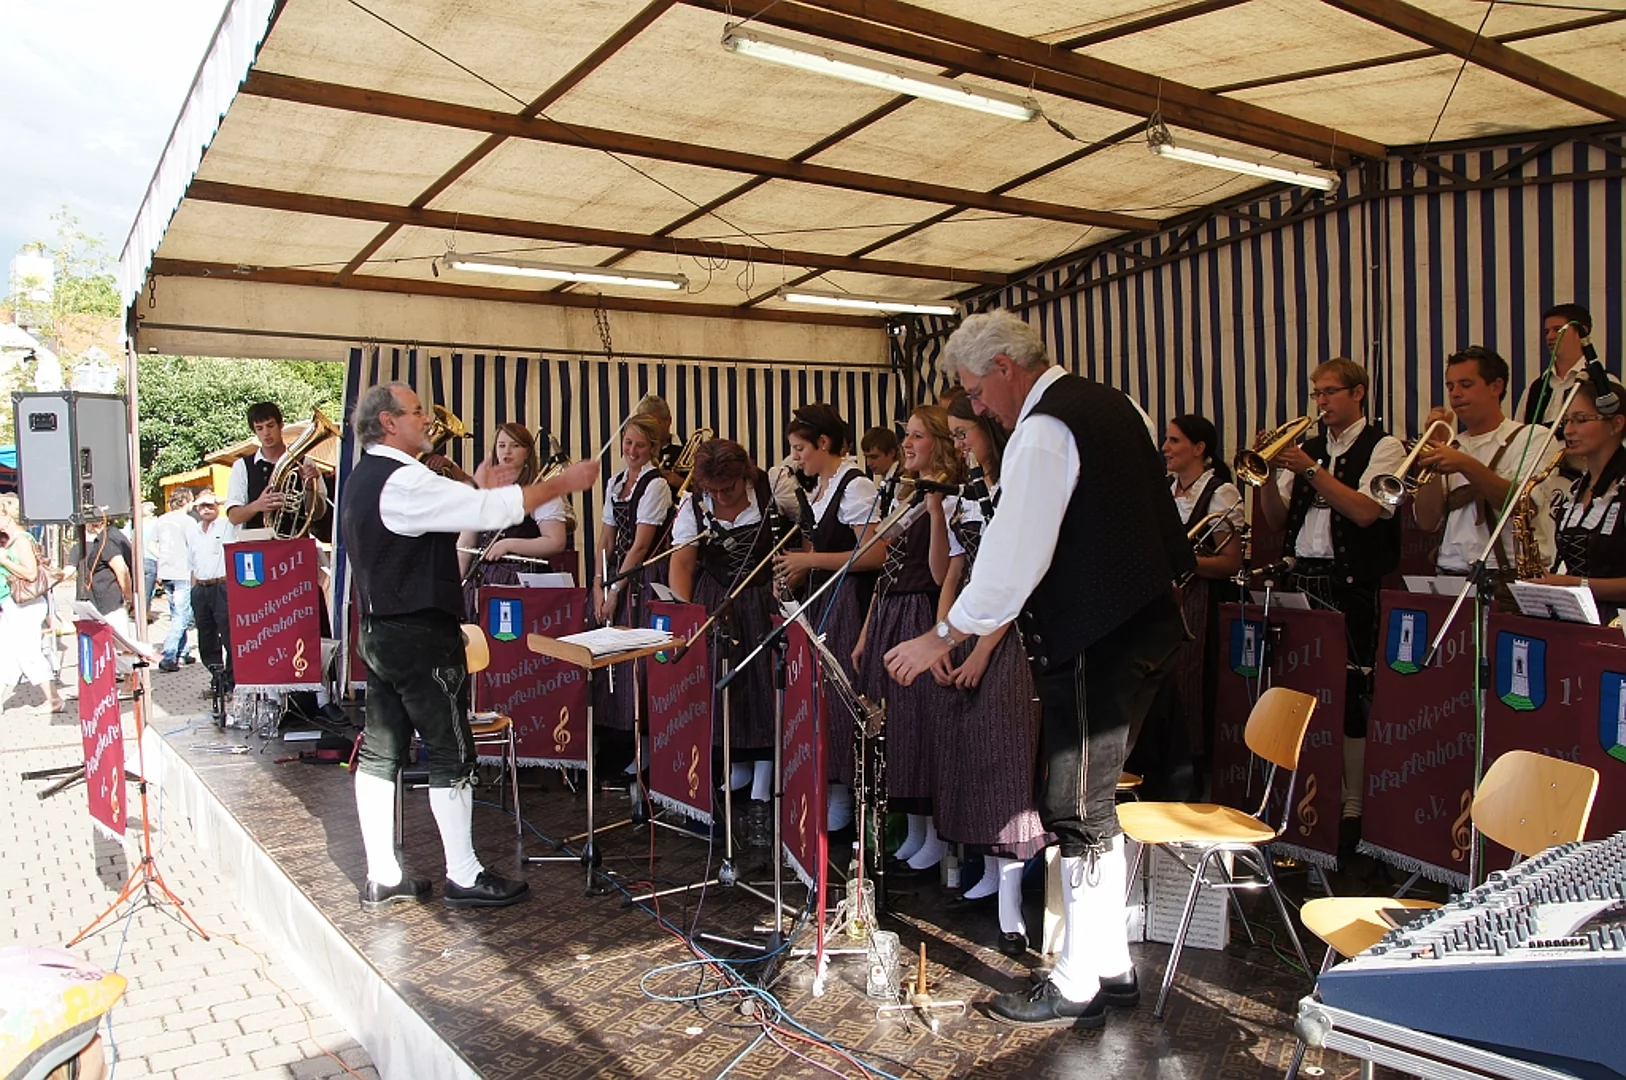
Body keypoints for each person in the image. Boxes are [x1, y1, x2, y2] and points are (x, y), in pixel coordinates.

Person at [884, 310, 1192, 1028]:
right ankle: (1111, 964)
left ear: (1005, 367)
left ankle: (1076, 979)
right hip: (1144, 626)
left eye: (976, 391)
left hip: (1097, 636)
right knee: (1094, 806)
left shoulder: (1046, 428)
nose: (979, 407)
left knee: (1076, 808)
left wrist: (944, 635)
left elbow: (1015, 553)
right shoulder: (1115, 404)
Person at [341, 382, 600, 911]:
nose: (426, 420)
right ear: (389, 422)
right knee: (450, 750)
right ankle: (463, 874)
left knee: (381, 751)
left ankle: (382, 874)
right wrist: (562, 482)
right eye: (417, 412)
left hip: (380, 630)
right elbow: (487, 512)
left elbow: (458, 514)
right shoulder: (404, 480)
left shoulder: (363, 477)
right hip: (420, 633)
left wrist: (478, 488)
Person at [1258, 357, 1406, 846]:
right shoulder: (1310, 450)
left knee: (1350, 693)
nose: (1321, 402)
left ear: (1358, 393)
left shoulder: (1384, 446)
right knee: (1302, 689)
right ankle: (1312, 794)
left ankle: (1353, 803)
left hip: (1351, 585)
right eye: (1316, 393)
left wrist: (1309, 468)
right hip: (1302, 576)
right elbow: (1277, 520)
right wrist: (1265, 476)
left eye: (1330, 392)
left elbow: (1366, 512)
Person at [933, 391, 1047, 954]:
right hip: (969, 629)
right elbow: (948, 574)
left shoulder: (1017, 490)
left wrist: (978, 651)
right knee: (972, 755)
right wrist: (942, 637)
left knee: (1007, 764)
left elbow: (1017, 584)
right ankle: (989, 874)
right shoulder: (967, 494)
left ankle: (1011, 901)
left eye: (964, 433)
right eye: (953, 434)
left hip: (1014, 637)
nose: (958, 444)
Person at [856, 404, 966, 875]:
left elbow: (943, 574)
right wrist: (866, 631)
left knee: (920, 725)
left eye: (917, 436)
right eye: (907, 435)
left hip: (922, 609)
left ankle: (934, 834)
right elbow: (884, 568)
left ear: (938, 442)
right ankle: (915, 829)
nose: (906, 443)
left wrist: (936, 509)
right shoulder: (905, 494)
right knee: (897, 727)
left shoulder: (950, 496)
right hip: (891, 608)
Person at [669, 439, 785, 842]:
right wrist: (686, 618)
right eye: (713, 490)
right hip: (716, 604)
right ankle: (724, 788)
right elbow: (682, 563)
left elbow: (806, 541)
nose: (720, 496)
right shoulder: (693, 506)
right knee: (723, 697)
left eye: (729, 488)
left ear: (744, 475)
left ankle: (763, 797)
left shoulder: (773, 489)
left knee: (765, 694)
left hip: (763, 601)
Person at [773, 403, 881, 830]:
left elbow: (873, 554)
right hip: (823, 600)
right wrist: (795, 573)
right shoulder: (820, 489)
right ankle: (831, 792)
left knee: (842, 697)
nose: (795, 458)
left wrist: (810, 561)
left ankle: (849, 800)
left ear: (824, 443)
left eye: (800, 449)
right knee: (821, 698)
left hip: (850, 601)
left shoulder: (854, 487)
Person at [1414, 347, 1554, 585]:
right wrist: (1432, 456)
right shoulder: (1452, 444)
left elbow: (1523, 505)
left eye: (1466, 385)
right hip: (1449, 574)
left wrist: (1465, 464)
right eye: (1450, 387)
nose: (1455, 394)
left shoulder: (1532, 436)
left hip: (1506, 576)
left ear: (1496, 387)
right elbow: (1427, 522)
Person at [1162, 414, 1243, 775]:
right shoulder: (1164, 489)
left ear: (1199, 448)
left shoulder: (1221, 493)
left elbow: (1229, 562)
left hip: (1201, 603)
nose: (1165, 447)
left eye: (1174, 440)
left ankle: (1193, 771)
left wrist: (1182, 560)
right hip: (1165, 598)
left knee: (1191, 687)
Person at [591, 413, 674, 733]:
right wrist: (597, 583)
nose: (632, 450)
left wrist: (614, 591)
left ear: (652, 448)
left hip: (643, 577)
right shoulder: (615, 482)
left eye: (640, 445)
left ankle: (642, 734)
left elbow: (640, 547)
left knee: (636, 656)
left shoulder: (656, 485)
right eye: (628, 442)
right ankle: (614, 731)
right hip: (616, 572)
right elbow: (606, 539)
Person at [1532, 374, 1626, 606]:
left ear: (1616, 424)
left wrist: (1575, 584)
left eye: (1580, 420)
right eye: (1566, 421)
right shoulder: (1577, 489)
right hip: (1579, 618)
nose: (1568, 431)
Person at [458, 423, 569, 612]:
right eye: (501, 445)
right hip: (480, 581)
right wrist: (455, 585)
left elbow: (555, 542)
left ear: (527, 452)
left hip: (520, 581)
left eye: (515, 445)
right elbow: (465, 545)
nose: (507, 451)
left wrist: (508, 544)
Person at [0, 494, 66, 711]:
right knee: (8, 652)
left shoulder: (22, 540)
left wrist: (4, 561)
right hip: (11, 603)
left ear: (7, 516)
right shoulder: (10, 540)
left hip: (25, 604)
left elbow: (30, 573)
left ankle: (54, 699)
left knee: (28, 652)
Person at [225, 402, 328, 531]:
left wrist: (310, 487)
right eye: (259, 428)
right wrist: (257, 505)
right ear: (254, 431)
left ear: (281, 425)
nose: (266, 433)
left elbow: (318, 514)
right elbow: (233, 517)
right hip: (256, 540)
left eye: (270, 425)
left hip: (296, 540)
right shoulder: (242, 466)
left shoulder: (306, 463)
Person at [68, 518, 135, 672]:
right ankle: (113, 676)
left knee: (120, 643)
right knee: (106, 643)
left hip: (109, 600)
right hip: (96, 601)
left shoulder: (108, 540)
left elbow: (121, 570)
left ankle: (126, 677)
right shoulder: (101, 540)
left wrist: (128, 596)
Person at [188, 491, 237, 698]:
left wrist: (220, 501)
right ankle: (218, 681)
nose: (206, 509)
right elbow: (192, 564)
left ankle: (232, 682)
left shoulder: (226, 525)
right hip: (201, 587)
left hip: (222, 585)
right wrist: (193, 590)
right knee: (206, 638)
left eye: (210, 505)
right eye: (202, 506)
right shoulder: (194, 531)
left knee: (229, 636)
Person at [1518, 303, 1597, 427]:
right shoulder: (1534, 389)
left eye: (1558, 330)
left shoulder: (1601, 382)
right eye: (1547, 332)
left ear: (1582, 331)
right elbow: (1520, 434)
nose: (1550, 337)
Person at [153, 488, 202, 671]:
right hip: (183, 572)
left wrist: (163, 558)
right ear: (187, 501)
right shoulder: (188, 521)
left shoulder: (161, 520)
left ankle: (183, 651)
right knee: (182, 615)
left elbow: (151, 545)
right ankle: (168, 655)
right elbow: (195, 547)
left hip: (166, 571)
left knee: (176, 613)